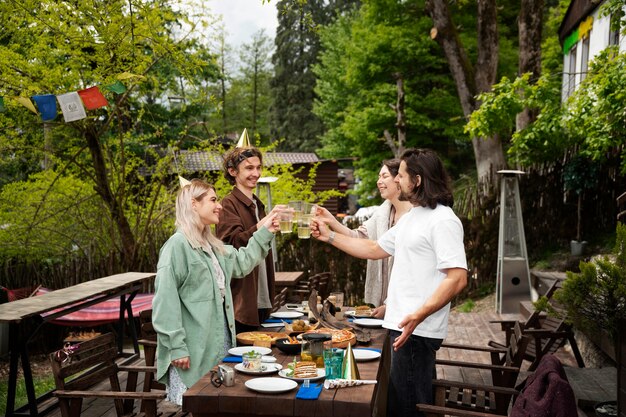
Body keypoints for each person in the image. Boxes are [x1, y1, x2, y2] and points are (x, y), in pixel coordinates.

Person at [311, 148, 468, 417]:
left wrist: (418, 315)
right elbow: (374, 249)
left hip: (417, 331)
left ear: (417, 181)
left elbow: (457, 277)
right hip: (404, 328)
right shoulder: (414, 218)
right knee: (399, 403)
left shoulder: (443, 220)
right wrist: (329, 237)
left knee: (407, 408)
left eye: (402, 175)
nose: (396, 180)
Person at [152, 179, 280, 405]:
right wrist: (176, 347)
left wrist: (266, 230)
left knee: (216, 406)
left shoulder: (211, 246)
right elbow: (165, 302)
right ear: (193, 204)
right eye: (213, 200)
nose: (219, 205)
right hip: (192, 349)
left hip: (219, 342)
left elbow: (242, 262)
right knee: (201, 406)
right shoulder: (177, 247)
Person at [315, 159, 412, 315]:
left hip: (407, 305)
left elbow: (375, 250)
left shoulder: (414, 217)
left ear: (398, 179)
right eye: (379, 176)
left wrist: (390, 307)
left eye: (384, 176)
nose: (379, 181)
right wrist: (331, 221)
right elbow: (359, 237)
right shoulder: (384, 213)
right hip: (384, 301)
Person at [216, 146, 284, 333]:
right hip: (242, 301)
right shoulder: (227, 205)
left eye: (258, 167)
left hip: (262, 295)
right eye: (249, 168)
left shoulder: (257, 204)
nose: (256, 173)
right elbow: (231, 248)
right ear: (232, 171)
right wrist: (264, 224)